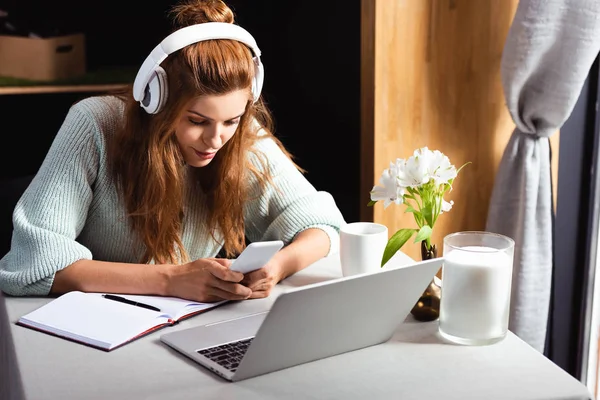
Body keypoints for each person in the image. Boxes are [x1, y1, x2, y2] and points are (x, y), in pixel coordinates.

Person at [0, 0, 345, 302]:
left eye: (232, 120)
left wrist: (277, 267)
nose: (215, 138)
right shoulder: (93, 124)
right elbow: (32, 263)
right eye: (197, 120)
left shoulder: (239, 134)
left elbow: (323, 225)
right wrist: (171, 280)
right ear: (157, 100)